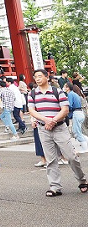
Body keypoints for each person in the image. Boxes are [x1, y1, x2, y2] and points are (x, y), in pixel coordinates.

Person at [28, 69, 87, 197]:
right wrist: (45, 120)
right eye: (35, 77)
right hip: (43, 129)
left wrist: (53, 120)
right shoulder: (32, 94)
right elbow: (32, 110)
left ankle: (82, 180)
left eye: (39, 76)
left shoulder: (57, 91)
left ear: (46, 77)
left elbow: (65, 110)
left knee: (71, 156)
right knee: (50, 159)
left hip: (59, 128)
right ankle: (55, 187)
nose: (37, 79)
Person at [63, 83, 88, 153]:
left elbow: (70, 105)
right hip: (80, 113)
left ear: (67, 88)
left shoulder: (70, 94)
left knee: (77, 132)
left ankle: (85, 148)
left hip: (76, 113)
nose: (63, 88)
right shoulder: (75, 94)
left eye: (65, 86)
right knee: (79, 131)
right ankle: (85, 146)